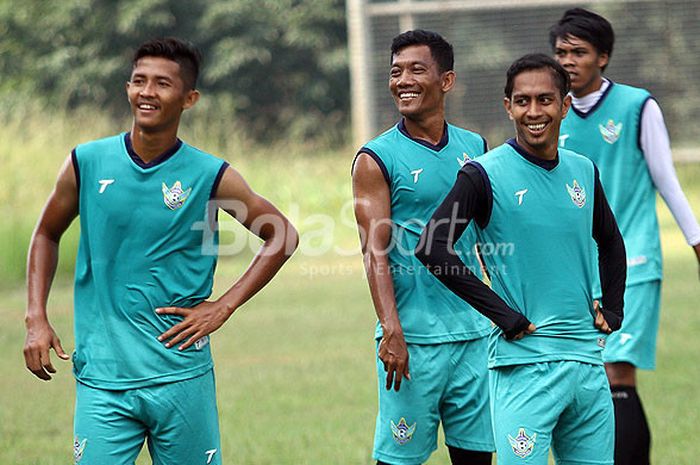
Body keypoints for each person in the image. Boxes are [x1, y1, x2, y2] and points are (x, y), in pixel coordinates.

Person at [23, 37, 298, 465]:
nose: (147, 92)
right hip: (103, 378)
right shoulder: (86, 162)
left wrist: (223, 306)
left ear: (189, 98)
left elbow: (282, 234)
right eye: (138, 81)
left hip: (181, 374)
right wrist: (36, 317)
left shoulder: (211, 175)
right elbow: (45, 234)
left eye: (162, 84)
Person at [416, 54, 628, 464]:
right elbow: (431, 246)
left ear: (565, 105)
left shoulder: (583, 170)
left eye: (545, 100)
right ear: (508, 106)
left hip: (586, 360)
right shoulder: (482, 174)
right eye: (523, 100)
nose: (534, 111)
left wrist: (615, 307)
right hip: (525, 365)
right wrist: (504, 315)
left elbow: (611, 241)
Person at [549, 9, 700, 464]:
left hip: (631, 264)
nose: (568, 61)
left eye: (579, 52)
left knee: (617, 373)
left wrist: (696, 242)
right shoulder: (549, 112)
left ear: (604, 57)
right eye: (561, 52)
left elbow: (667, 180)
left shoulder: (638, 107)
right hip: (572, 271)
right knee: (580, 376)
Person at [351, 30, 494, 465]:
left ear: (446, 80)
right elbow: (373, 251)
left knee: (477, 458)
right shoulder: (376, 158)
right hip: (412, 342)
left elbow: (488, 241)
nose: (403, 80)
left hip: (474, 336)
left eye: (416, 70)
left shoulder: (476, 148)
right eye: (395, 72)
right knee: (399, 459)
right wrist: (391, 329)